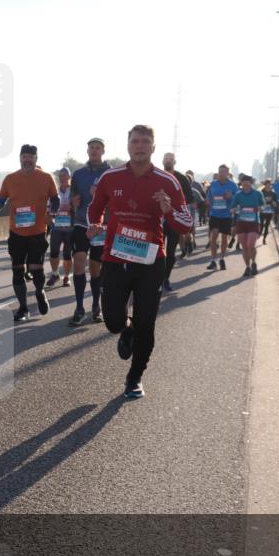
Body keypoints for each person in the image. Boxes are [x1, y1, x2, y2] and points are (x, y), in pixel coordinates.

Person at [87, 125, 192, 399]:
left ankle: (134, 378)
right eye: (135, 141)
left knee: (147, 323)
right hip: (116, 258)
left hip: (150, 262)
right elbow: (95, 208)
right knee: (112, 321)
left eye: (145, 141)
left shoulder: (167, 182)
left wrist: (168, 210)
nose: (140, 146)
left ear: (153, 148)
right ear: (128, 145)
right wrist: (95, 224)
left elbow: (186, 224)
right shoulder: (111, 178)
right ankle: (126, 329)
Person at [0, 144, 58, 321]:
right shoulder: (10, 179)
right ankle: (23, 308)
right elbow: (1, 197)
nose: (27, 159)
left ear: (36, 159)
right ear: (20, 158)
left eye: (31, 157)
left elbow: (55, 198)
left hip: (37, 231)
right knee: (17, 270)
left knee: (36, 269)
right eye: (24, 156)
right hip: (16, 233)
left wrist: (52, 213)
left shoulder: (46, 177)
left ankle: (40, 291)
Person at [69, 137, 111, 325]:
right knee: (78, 262)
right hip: (81, 223)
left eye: (97, 148)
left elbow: (117, 199)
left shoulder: (111, 173)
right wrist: (74, 201)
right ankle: (79, 308)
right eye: (91, 148)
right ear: (87, 151)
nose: (94, 150)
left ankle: (96, 306)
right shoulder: (78, 174)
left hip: (101, 226)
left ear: (103, 151)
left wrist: (102, 194)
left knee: (96, 269)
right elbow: (73, 195)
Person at [160, 152, 193, 292]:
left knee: (170, 251)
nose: (168, 161)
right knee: (156, 251)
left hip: (174, 218)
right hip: (157, 219)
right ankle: (155, 278)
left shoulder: (181, 178)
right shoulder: (156, 175)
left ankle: (165, 278)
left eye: (171, 159)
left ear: (175, 162)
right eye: (166, 159)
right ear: (162, 161)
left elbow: (189, 200)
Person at [205, 165, 238, 271]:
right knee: (213, 236)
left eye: (224, 171)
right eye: (220, 171)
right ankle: (213, 260)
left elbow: (238, 200)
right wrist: (208, 202)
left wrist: (231, 197)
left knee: (224, 238)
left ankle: (222, 258)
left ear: (228, 173)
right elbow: (209, 197)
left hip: (226, 215)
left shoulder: (233, 185)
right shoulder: (213, 184)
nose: (221, 173)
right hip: (214, 214)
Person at [231, 174, 265, 276]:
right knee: (244, 247)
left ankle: (253, 262)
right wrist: (236, 209)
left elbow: (263, 207)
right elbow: (232, 209)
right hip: (241, 222)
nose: (245, 184)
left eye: (247, 182)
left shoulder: (257, 194)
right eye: (243, 182)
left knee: (250, 245)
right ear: (241, 184)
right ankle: (247, 267)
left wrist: (259, 209)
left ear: (251, 183)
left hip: (253, 222)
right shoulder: (238, 195)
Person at [46, 167, 73, 287]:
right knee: (54, 253)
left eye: (65, 175)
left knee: (67, 254)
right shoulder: (54, 192)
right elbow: (48, 207)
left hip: (70, 227)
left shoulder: (74, 191)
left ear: (69, 177)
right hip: (57, 226)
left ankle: (66, 277)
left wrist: (71, 207)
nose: (62, 177)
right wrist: (51, 215)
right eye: (61, 175)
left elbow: (80, 205)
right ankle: (55, 274)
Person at [260, 178, 277, 244]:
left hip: (269, 211)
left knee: (267, 225)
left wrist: (273, 202)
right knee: (261, 225)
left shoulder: (273, 193)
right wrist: (264, 201)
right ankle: (259, 234)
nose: (268, 186)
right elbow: (258, 201)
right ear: (265, 185)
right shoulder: (261, 192)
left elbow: (276, 203)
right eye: (267, 184)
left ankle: (264, 239)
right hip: (262, 211)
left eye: (269, 185)